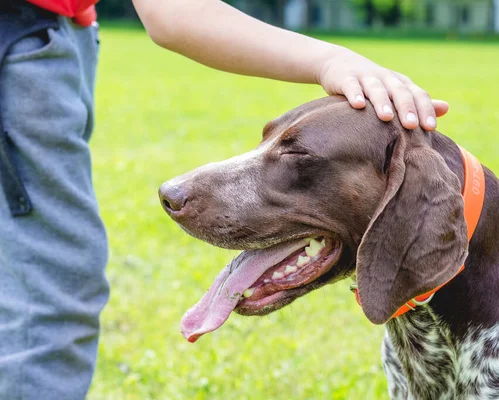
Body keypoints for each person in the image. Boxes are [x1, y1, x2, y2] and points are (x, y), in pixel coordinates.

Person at [0, 1, 448, 399]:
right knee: (47, 296)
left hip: (54, 38)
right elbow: (174, 11)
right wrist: (331, 58)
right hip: (20, 37)